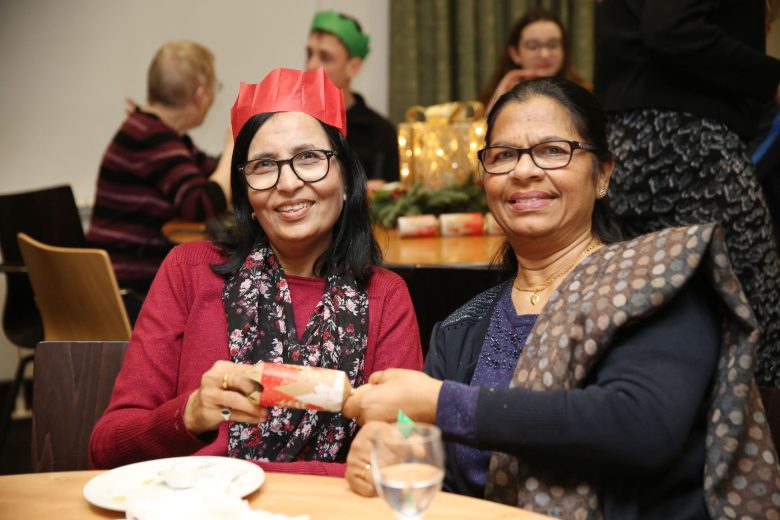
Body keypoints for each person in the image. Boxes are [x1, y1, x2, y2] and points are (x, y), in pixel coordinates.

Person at [342, 78, 780, 518]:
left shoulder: (659, 279)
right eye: (504, 156)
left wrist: (440, 402)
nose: (524, 170)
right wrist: (392, 450)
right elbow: (441, 478)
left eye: (553, 150)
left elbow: (638, 428)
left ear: (603, 174)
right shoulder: (460, 331)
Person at [89, 67, 423, 476]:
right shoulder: (190, 273)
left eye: (309, 158)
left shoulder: (385, 296)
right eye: (264, 165)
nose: (287, 183)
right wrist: (190, 414)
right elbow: (106, 448)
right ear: (245, 191)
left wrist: (382, 454)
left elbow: (406, 453)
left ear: (347, 179)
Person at [594, 0, 780, 387]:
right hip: (683, 140)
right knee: (755, 309)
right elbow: (672, 27)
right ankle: (758, 440)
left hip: (641, 139)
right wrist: (770, 78)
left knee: (656, 315)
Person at [86, 40, 233, 302]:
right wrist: (233, 147)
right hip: (128, 292)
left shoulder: (156, 133)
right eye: (215, 89)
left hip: (118, 285)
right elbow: (201, 204)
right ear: (199, 96)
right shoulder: (153, 138)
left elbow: (206, 168)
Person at [306, 10, 399, 183]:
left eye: (325, 57)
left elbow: (393, 202)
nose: (311, 64)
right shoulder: (295, 122)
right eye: (309, 54)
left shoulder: (380, 132)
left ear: (353, 67)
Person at [478, 7, 590, 112]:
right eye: (533, 46)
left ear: (564, 50)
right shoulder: (487, 102)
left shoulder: (588, 95)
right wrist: (497, 103)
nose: (544, 54)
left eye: (552, 45)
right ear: (515, 54)